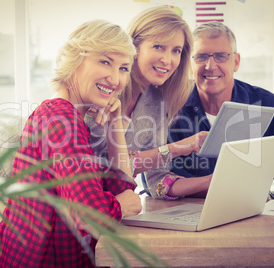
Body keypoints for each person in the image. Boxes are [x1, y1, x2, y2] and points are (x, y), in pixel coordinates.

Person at [0, 20, 142, 267]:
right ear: (75, 59)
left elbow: (121, 188)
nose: (115, 79)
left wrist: (115, 125)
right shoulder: (61, 117)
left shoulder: (65, 115)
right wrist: (121, 206)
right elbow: (91, 216)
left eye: (124, 68)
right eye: (105, 61)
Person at [158, 21, 274, 198]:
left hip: (249, 215)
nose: (210, 66)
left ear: (236, 62)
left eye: (221, 56)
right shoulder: (169, 108)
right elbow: (156, 182)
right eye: (201, 57)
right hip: (185, 216)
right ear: (190, 64)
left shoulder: (268, 105)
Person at [86, 6, 208, 200]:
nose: (167, 60)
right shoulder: (104, 87)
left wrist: (212, 182)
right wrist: (179, 147)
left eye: (176, 51)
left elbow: (157, 181)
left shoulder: (157, 101)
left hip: (118, 210)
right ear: (134, 46)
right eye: (158, 46)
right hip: (76, 208)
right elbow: (104, 166)